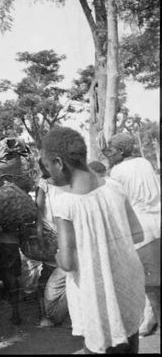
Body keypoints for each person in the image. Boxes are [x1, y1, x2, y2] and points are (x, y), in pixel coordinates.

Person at [41, 126, 145, 354]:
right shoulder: (115, 188)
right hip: (127, 286)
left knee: (98, 346)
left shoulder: (65, 203)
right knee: (129, 341)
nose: (49, 174)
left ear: (58, 162)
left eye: (47, 167)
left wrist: (57, 254)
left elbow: (67, 263)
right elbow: (138, 234)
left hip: (95, 296)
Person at [106, 132, 160, 337]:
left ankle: (152, 318)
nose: (110, 154)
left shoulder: (118, 171)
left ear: (120, 151)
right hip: (157, 223)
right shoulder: (144, 163)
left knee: (149, 281)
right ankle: (150, 317)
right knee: (153, 277)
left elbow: (117, 203)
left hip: (140, 228)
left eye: (112, 150)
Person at [35, 158, 69, 327]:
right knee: (47, 274)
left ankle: (65, 313)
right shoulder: (43, 184)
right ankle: (45, 315)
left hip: (66, 232)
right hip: (51, 235)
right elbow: (39, 211)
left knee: (67, 274)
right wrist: (40, 235)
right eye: (45, 166)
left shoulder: (67, 181)